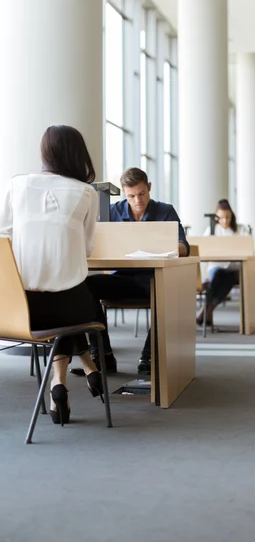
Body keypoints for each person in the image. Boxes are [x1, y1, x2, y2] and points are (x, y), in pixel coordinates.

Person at [0, 125, 103, 426]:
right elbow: (86, 249)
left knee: (64, 305)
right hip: (67, 309)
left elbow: (3, 239)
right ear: (78, 154)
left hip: (20, 308)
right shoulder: (86, 193)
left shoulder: (15, 185)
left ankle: (62, 384)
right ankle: (82, 369)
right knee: (77, 301)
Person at [70, 167, 189, 377]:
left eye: (142, 194)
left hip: (152, 279)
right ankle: (103, 355)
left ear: (149, 188)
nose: (138, 200)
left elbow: (183, 247)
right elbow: (94, 245)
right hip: (122, 279)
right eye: (131, 196)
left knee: (166, 289)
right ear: (125, 193)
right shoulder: (113, 212)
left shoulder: (165, 211)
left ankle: (149, 355)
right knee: (85, 286)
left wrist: (159, 248)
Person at [196, 199, 249, 326]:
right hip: (216, 268)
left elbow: (248, 247)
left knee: (228, 275)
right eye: (221, 218)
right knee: (220, 274)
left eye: (228, 217)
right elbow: (203, 250)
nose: (225, 221)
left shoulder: (240, 229)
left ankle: (206, 309)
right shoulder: (212, 230)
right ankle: (209, 308)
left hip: (234, 269)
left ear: (232, 215)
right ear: (216, 217)